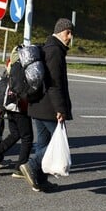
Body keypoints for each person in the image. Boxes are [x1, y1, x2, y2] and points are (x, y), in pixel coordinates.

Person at [19, 18, 74, 192]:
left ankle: (39, 180)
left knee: (43, 144)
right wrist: (60, 109)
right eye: (68, 32)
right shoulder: (55, 51)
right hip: (49, 107)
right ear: (60, 32)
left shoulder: (47, 47)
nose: (70, 37)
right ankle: (32, 166)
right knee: (56, 144)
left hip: (38, 105)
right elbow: (54, 83)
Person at [0, 55, 34, 178]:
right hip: (19, 106)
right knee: (27, 137)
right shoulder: (24, 67)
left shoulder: (10, 65)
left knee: (15, 134)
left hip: (8, 105)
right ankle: (20, 168)